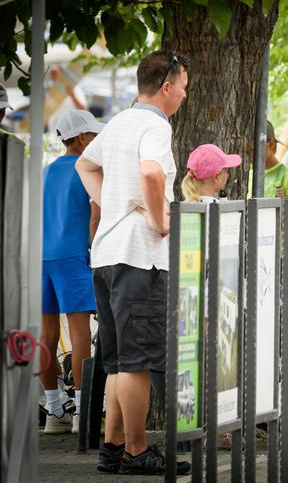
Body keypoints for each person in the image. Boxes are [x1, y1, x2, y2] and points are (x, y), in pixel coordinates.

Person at [76, 50, 191, 476]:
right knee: (137, 361)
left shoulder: (120, 121)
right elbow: (151, 174)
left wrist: (107, 204)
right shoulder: (155, 125)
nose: (183, 94)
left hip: (106, 254)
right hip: (137, 256)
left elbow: (84, 164)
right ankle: (138, 451)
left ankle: (113, 447)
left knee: (119, 360)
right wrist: (161, 220)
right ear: (166, 87)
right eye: (182, 86)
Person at [40, 109, 103, 435]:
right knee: (80, 334)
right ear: (82, 138)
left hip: (40, 257)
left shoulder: (44, 171)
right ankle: (82, 411)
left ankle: (53, 410)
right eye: (94, 135)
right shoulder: (87, 168)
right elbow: (96, 217)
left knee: (47, 336)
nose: (98, 140)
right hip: (74, 255)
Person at [248, 121, 288, 198]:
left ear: (271, 144)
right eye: (247, 151)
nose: (250, 155)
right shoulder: (249, 176)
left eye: (254, 150)